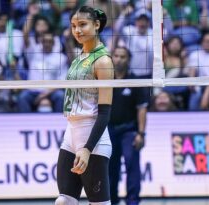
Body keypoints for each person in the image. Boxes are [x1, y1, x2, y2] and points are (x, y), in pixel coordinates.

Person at [56, 6, 113, 205]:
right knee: (63, 201)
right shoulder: (79, 57)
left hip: (93, 140)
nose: (77, 30)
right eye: (73, 26)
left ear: (96, 25)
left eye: (82, 25)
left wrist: (87, 149)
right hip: (70, 133)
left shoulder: (103, 61)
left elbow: (105, 113)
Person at [108, 46, 149, 205]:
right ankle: (111, 200)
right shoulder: (104, 80)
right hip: (109, 130)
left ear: (128, 60)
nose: (118, 59)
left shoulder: (135, 81)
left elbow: (142, 109)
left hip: (129, 130)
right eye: (116, 56)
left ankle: (133, 201)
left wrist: (141, 133)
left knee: (132, 165)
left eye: (122, 56)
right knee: (110, 169)